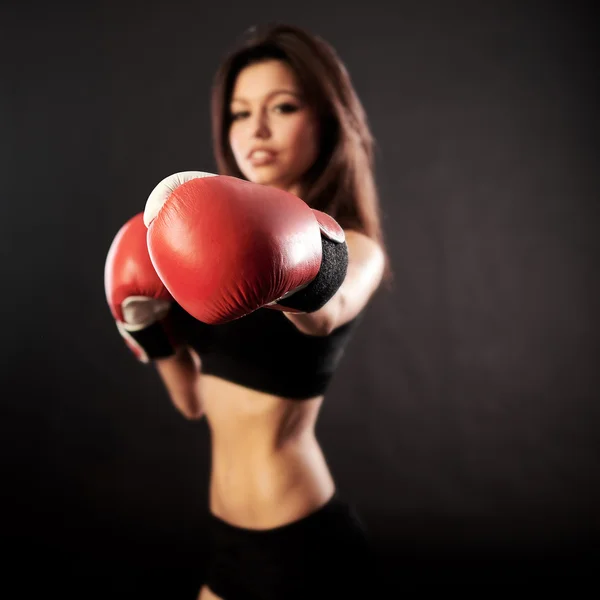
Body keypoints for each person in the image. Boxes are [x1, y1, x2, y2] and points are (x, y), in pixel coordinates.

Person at [104, 23, 391, 600]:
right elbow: (192, 401)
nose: (255, 130)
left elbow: (328, 310)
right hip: (227, 539)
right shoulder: (205, 243)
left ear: (327, 121)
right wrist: (144, 323)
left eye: (282, 107)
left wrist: (288, 253)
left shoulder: (354, 248)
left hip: (302, 541)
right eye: (239, 113)